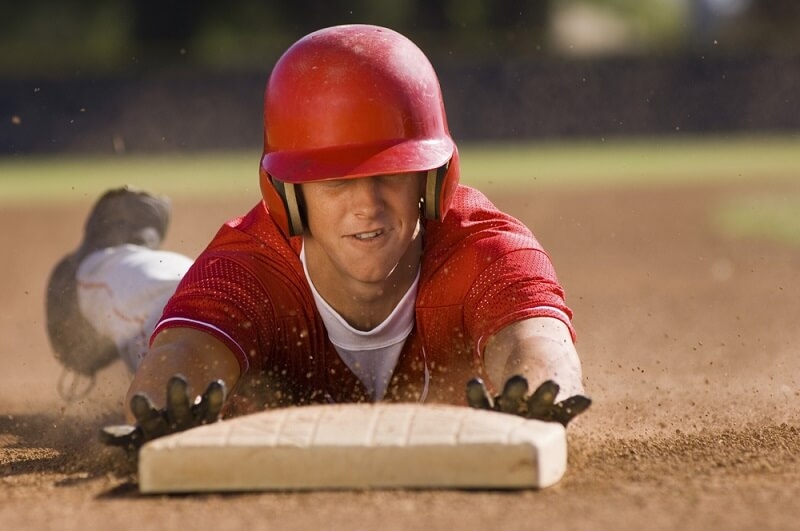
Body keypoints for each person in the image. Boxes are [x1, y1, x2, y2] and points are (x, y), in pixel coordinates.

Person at [46, 24, 588, 446]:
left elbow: (540, 344)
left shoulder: (488, 251)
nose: (367, 205)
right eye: (333, 181)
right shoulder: (246, 270)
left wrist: (538, 392)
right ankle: (103, 257)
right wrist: (169, 401)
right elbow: (176, 363)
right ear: (286, 193)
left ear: (434, 178)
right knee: (160, 294)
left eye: (391, 173)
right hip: (183, 302)